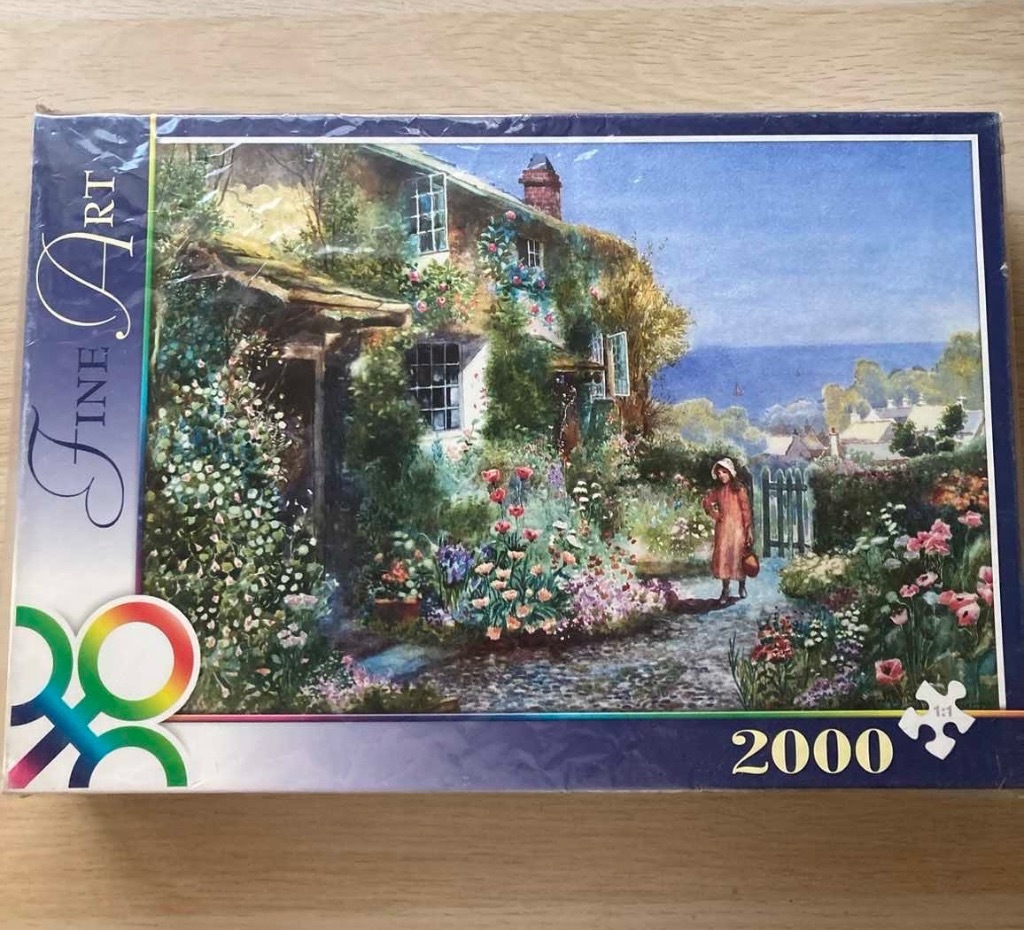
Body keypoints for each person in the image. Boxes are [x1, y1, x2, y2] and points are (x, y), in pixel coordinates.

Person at [702, 457, 753, 602]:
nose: (721, 476)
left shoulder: (739, 489)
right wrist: (716, 515)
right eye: (719, 473)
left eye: (724, 472)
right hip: (723, 530)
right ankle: (725, 590)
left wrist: (748, 529)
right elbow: (706, 502)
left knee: (739, 557)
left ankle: (742, 586)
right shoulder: (718, 491)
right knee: (723, 557)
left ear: (730, 472)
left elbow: (746, 511)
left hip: (738, 530)